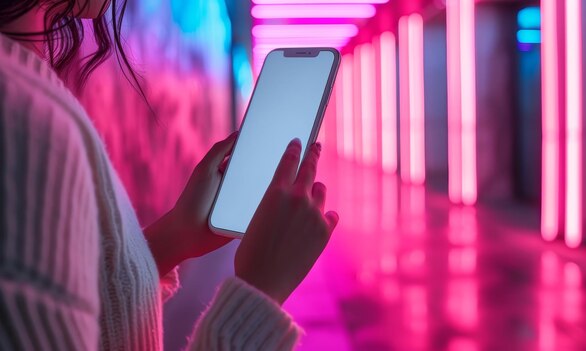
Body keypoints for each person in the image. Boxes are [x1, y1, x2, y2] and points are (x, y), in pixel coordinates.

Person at [0, 0, 339, 350]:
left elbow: (80, 316)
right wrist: (259, 293)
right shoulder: (23, 118)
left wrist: (175, 237)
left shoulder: (24, 93)